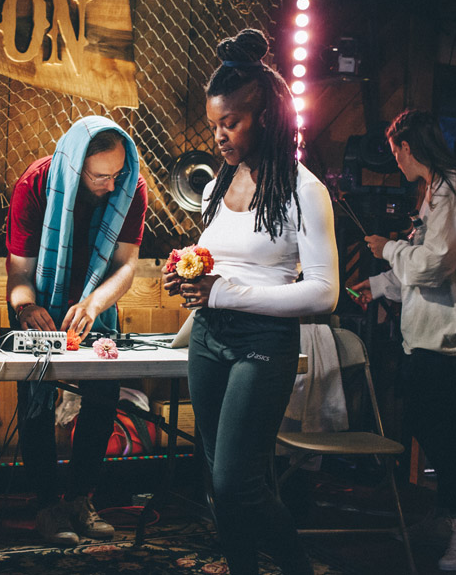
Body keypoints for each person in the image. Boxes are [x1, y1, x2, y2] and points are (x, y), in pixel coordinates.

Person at [163, 28, 338, 575]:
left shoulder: (304, 190)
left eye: (230, 123)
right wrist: (187, 274)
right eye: (213, 123)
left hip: (263, 345)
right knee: (220, 482)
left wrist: (230, 293)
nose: (218, 135)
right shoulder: (219, 184)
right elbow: (220, 262)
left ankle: (296, 568)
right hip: (210, 338)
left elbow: (325, 292)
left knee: (236, 481)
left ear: (265, 117)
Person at [350, 109, 456, 572]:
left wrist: (387, 249)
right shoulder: (436, 192)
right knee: (430, 427)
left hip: (450, 341)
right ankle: (448, 513)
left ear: (406, 148)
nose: (394, 159)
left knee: (443, 433)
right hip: (431, 338)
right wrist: (375, 287)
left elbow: (433, 265)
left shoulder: (453, 192)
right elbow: (422, 275)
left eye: (396, 149)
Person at [5, 115, 148, 545]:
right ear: (74, 167)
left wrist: (94, 303)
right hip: (39, 301)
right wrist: (26, 308)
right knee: (36, 400)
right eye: (99, 176)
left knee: (102, 396)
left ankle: (80, 499)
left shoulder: (130, 186)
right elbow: (19, 272)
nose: (110, 184)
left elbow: (125, 265)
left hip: (97, 300)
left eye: (116, 174)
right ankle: (48, 506)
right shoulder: (34, 185)